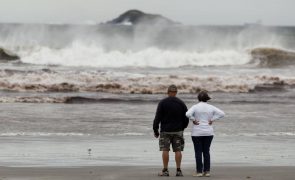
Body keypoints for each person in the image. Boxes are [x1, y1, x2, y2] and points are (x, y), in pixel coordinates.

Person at [186, 91, 225, 177]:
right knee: (206, 152)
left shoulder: (195, 107)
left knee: (198, 152)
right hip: (208, 132)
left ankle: (199, 172)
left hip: (197, 132)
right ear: (207, 99)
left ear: (198, 98)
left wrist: (193, 119)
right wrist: (212, 119)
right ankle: (207, 171)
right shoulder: (211, 107)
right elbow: (222, 114)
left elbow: (187, 114)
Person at [153, 85, 189, 177]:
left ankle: (165, 170)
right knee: (178, 150)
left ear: (168, 92)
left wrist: (155, 130)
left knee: (165, 149)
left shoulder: (162, 103)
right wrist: (183, 127)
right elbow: (186, 117)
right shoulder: (181, 103)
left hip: (165, 131)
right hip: (178, 130)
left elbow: (157, 117)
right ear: (176, 92)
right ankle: (178, 170)